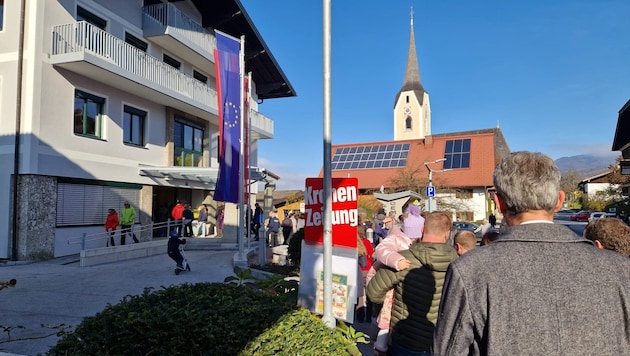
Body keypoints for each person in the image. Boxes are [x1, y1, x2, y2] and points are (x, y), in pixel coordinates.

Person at [433, 151, 630, 355]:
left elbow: (448, 350)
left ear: (498, 203)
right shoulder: (621, 268)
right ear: (559, 200)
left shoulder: (469, 270)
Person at [367, 211, 457, 355]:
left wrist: (391, 298)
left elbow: (373, 293)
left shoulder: (402, 260)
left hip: (405, 338)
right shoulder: (457, 263)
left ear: (422, 230)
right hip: (440, 340)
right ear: (447, 235)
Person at [366, 223, 414, 355]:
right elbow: (382, 251)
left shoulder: (404, 240)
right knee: (386, 322)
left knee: (386, 322)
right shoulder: (397, 239)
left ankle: (380, 346)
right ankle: (380, 347)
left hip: (394, 292)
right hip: (390, 292)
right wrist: (397, 261)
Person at [356, 224, 374, 324]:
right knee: (369, 294)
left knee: (359, 295)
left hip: (359, 270)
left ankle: (360, 316)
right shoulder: (366, 242)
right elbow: (371, 255)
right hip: (368, 270)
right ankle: (369, 316)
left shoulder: (354, 242)